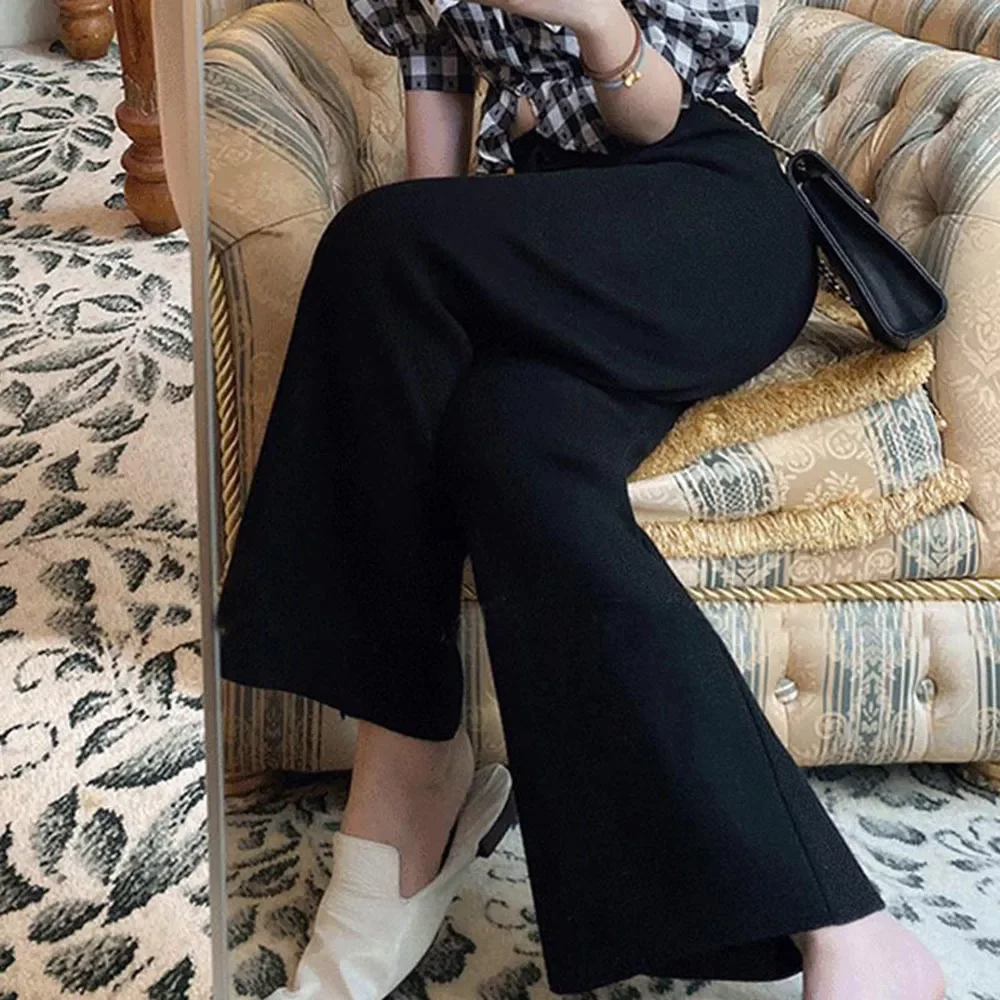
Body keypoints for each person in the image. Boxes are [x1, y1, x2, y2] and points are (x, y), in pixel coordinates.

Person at [215, 1, 946, 997]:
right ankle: (847, 922)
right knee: (504, 446)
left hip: (704, 208)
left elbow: (655, 113)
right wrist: (446, 283)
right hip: (555, 228)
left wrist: (592, 14)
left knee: (372, 243)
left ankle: (408, 761)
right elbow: (438, 106)